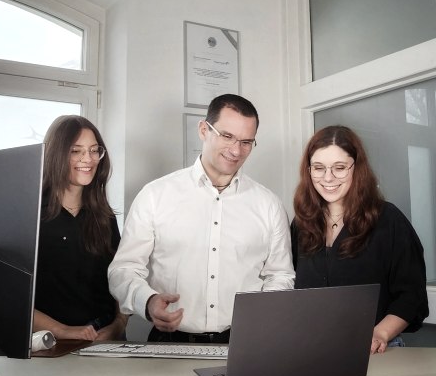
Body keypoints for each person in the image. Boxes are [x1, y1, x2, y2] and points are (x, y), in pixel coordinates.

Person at [108, 94, 295, 343]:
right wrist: (148, 301)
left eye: (246, 142)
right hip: (170, 343)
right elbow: (123, 270)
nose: (236, 150)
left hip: (245, 341)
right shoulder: (155, 195)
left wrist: (260, 318)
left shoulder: (269, 205)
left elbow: (281, 276)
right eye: (227, 136)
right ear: (204, 130)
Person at [291, 125, 429, 354]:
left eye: (340, 168)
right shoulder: (301, 224)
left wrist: (380, 333)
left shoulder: (388, 219)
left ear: (357, 168)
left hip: (375, 350)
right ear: (309, 170)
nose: (328, 178)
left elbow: (411, 296)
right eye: (319, 168)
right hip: (313, 350)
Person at [34, 115, 128, 341]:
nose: (88, 159)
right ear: (56, 154)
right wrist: (63, 331)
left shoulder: (104, 216)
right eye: (76, 151)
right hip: (48, 342)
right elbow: (11, 294)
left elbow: (121, 276)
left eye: (95, 150)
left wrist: (118, 326)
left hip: (103, 339)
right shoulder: (31, 213)